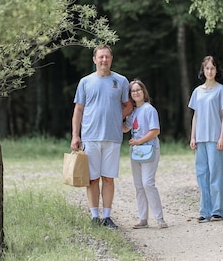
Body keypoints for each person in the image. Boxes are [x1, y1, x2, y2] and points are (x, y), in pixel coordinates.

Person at [71, 44, 133, 229]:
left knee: (108, 178)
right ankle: (94, 216)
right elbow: (78, 109)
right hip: (90, 137)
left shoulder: (121, 81)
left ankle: (107, 216)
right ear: (94, 59)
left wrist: (118, 119)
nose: (104, 60)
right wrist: (75, 135)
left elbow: (128, 106)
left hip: (112, 137)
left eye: (107, 57)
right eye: (101, 57)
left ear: (111, 59)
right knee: (91, 179)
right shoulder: (85, 82)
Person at [188, 55, 223, 223]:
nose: (210, 71)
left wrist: (222, 136)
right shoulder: (197, 92)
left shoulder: (221, 90)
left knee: (216, 173)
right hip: (200, 139)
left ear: (216, 70)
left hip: (215, 138)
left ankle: (218, 210)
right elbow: (195, 116)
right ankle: (205, 210)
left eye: (213, 68)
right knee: (202, 174)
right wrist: (193, 136)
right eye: (207, 68)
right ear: (203, 70)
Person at [123, 79, 168, 229]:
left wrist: (139, 141)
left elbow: (155, 131)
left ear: (144, 92)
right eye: (133, 91)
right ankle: (143, 219)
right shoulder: (132, 112)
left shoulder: (149, 110)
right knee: (138, 185)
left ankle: (160, 219)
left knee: (148, 183)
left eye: (138, 90)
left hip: (149, 149)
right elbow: (126, 128)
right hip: (136, 151)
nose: (136, 93)